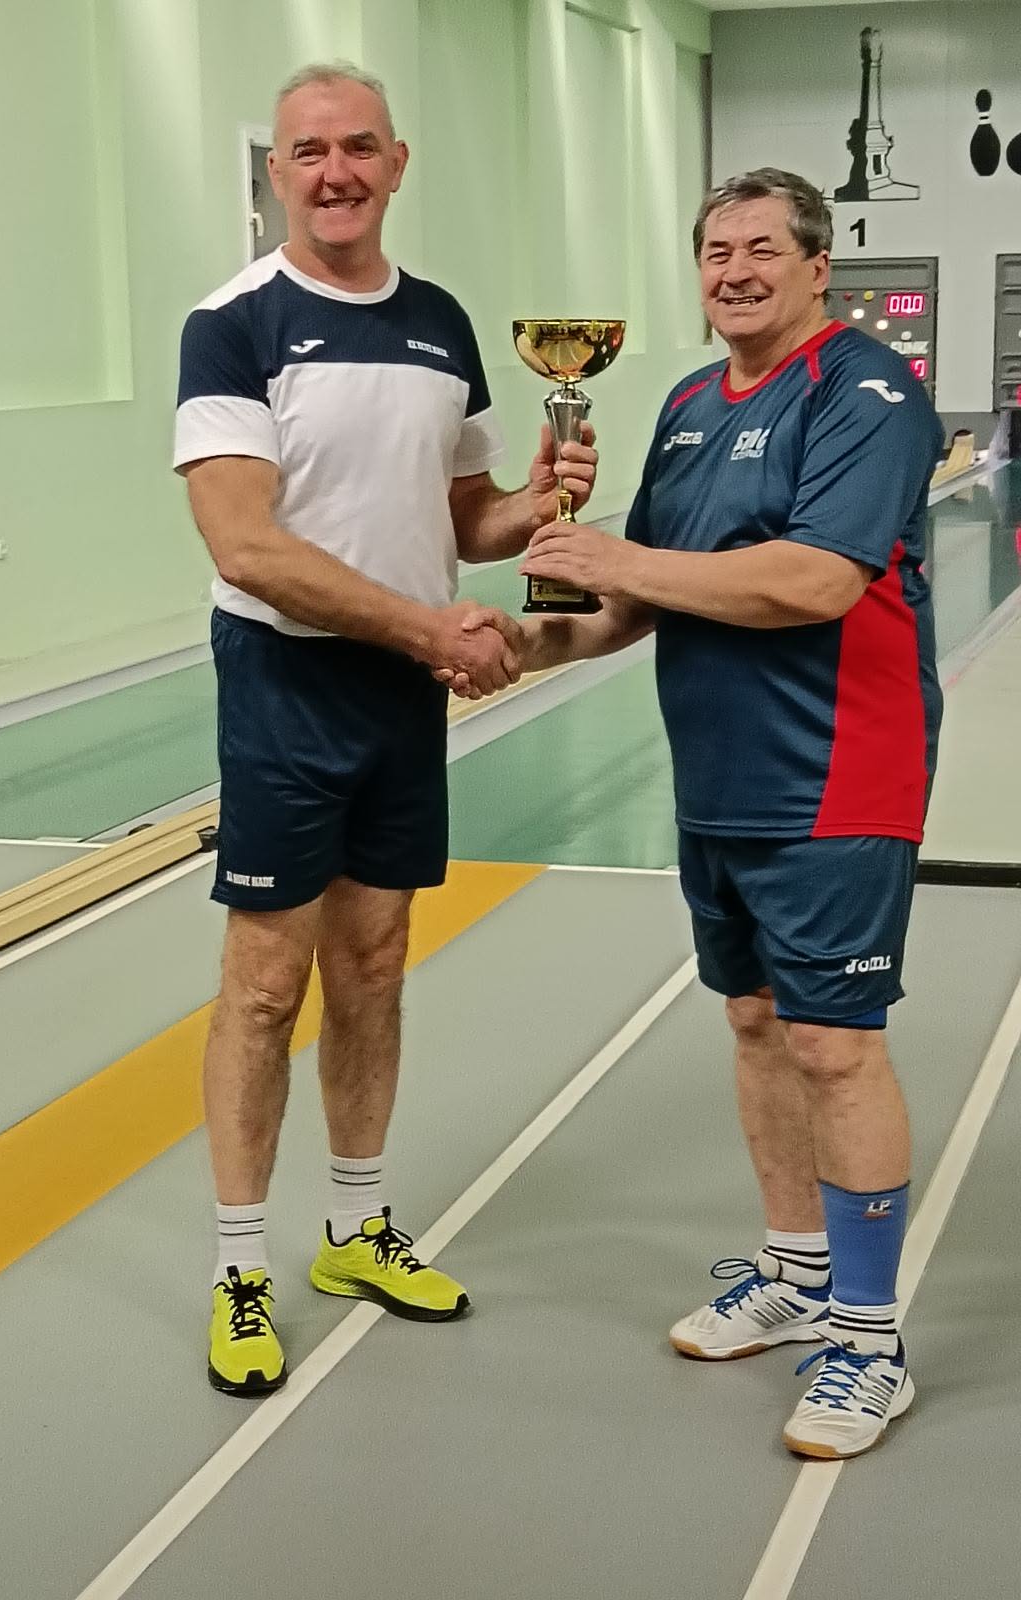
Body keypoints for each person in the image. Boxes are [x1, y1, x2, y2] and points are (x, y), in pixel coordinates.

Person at [173, 61, 598, 1396]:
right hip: (286, 685)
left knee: (375, 961)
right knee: (265, 983)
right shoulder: (232, 323)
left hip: (402, 694)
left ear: (397, 164)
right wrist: (430, 632)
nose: (336, 172)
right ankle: (242, 1267)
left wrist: (538, 499)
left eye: (360, 147)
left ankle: (355, 1228)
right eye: (309, 151)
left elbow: (464, 517)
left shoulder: (442, 322)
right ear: (277, 172)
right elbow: (246, 547)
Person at [505, 168, 943, 1458]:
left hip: (838, 769)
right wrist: (522, 645)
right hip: (720, 776)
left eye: (761, 248)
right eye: (714, 251)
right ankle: (798, 1272)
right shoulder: (691, 405)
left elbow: (815, 580)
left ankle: (870, 1341)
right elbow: (635, 600)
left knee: (833, 1045)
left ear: (818, 267)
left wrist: (618, 559)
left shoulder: (866, 391)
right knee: (755, 1022)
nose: (734, 271)